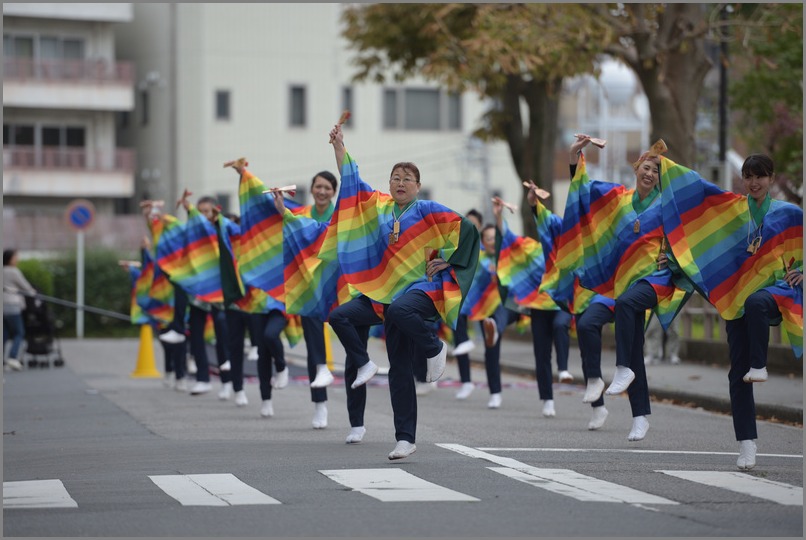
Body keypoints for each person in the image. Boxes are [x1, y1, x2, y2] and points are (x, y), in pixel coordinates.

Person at [325, 123, 479, 460]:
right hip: (384, 295)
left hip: (419, 292)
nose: (400, 182)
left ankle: (434, 347)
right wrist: (339, 147)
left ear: (418, 186)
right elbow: (352, 184)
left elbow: (466, 230)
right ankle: (403, 435)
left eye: (407, 178)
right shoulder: (380, 208)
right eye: (396, 177)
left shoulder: (427, 210)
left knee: (400, 313)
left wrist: (448, 263)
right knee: (341, 317)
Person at [658, 152, 802, 470]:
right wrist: (665, 167)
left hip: (775, 294)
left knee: (756, 304)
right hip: (737, 299)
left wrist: (803, 270)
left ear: (772, 178)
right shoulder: (733, 209)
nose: (753, 182)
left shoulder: (789, 213)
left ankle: (759, 364)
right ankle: (746, 445)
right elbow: (698, 191)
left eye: (760, 176)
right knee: (737, 375)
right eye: (748, 176)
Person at [561, 135, 691, 441]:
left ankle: (625, 380)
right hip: (617, 285)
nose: (649, 174)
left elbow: (685, 241)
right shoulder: (618, 198)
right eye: (646, 167)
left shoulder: (666, 208)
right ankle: (598, 381)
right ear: (637, 168)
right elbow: (584, 193)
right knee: (588, 321)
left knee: (628, 320)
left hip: (651, 281)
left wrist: (669, 255)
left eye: (656, 171)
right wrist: (574, 157)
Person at [453, 208, 482, 399]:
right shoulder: (460, 247)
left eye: (474, 223)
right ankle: (466, 382)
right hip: (463, 298)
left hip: (483, 300)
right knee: (458, 339)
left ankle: (494, 391)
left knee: (492, 349)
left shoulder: (487, 247)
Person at [3, 249, 36, 371]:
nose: (18, 259)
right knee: (19, 332)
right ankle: (12, 357)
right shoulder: (13, 271)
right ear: (10, 258)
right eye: (16, 256)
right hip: (12, 305)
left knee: (4, 334)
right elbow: (26, 287)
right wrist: (33, 293)